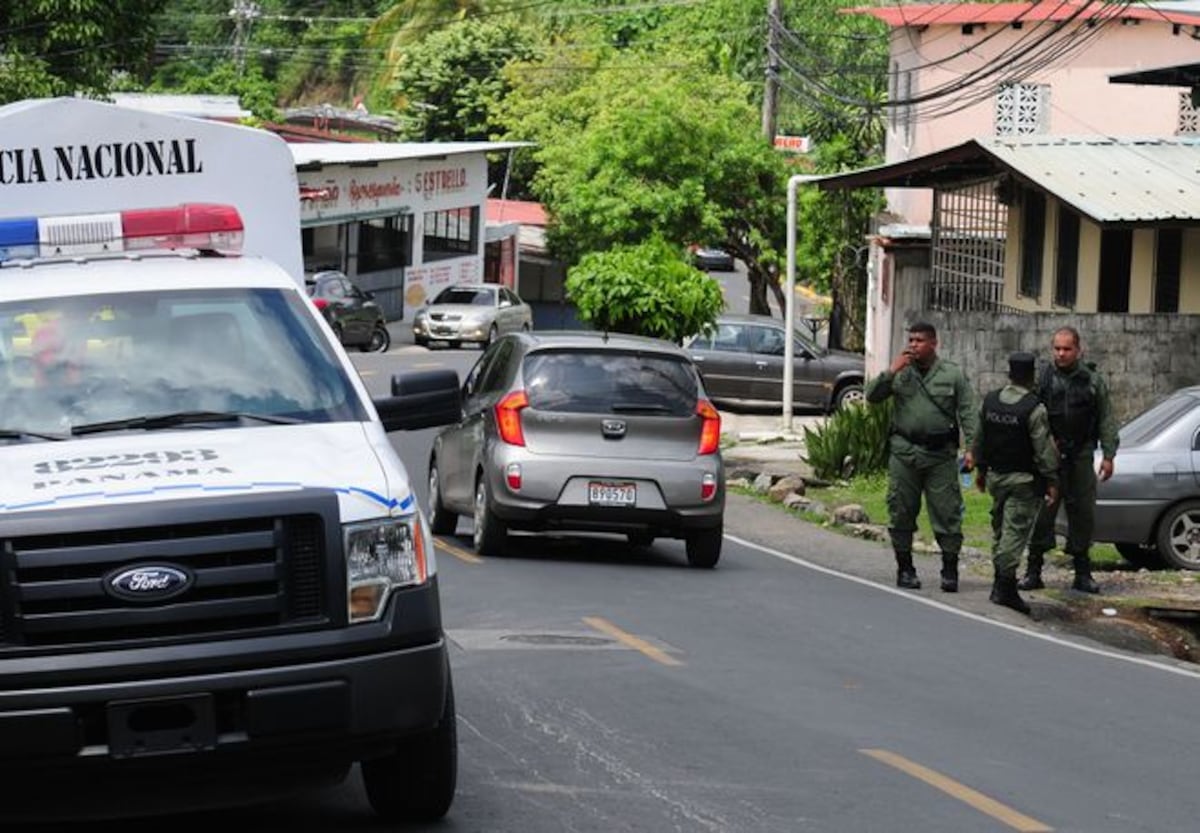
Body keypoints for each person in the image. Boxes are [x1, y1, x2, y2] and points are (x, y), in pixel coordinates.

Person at [866, 322, 978, 591]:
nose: (913, 345)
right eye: (911, 340)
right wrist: (892, 370)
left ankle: (949, 570)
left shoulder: (951, 374)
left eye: (919, 340)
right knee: (901, 510)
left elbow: (968, 412)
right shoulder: (901, 374)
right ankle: (905, 569)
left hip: (940, 455)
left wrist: (973, 448)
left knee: (947, 512)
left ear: (933, 343)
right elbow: (872, 396)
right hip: (905, 452)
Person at [1019, 327, 1119, 594]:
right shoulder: (1043, 379)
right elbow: (1029, 414)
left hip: (1081, 456)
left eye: (1066, 349)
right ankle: (1033, 570)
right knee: (1043, 514)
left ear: (1078, 350)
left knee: (1083, 515)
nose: (1061, 354)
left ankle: (1083, 573)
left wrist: (1109, 455)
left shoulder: (1093, 381)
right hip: (1049, 458)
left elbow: (1107, 419)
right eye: (1057, 348)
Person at [973, 352, 1060, 614]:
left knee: (1000, 529)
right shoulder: (1034, 408)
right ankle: (1005, 587)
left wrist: (980, 470)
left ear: (1009, 374)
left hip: (995, 477)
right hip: (1023, 480)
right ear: (1031, 376)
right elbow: (1044, 450)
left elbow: (979, 440)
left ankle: (999, 583)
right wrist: (1052, 480)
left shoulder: (990, 401)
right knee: (1014, 532)